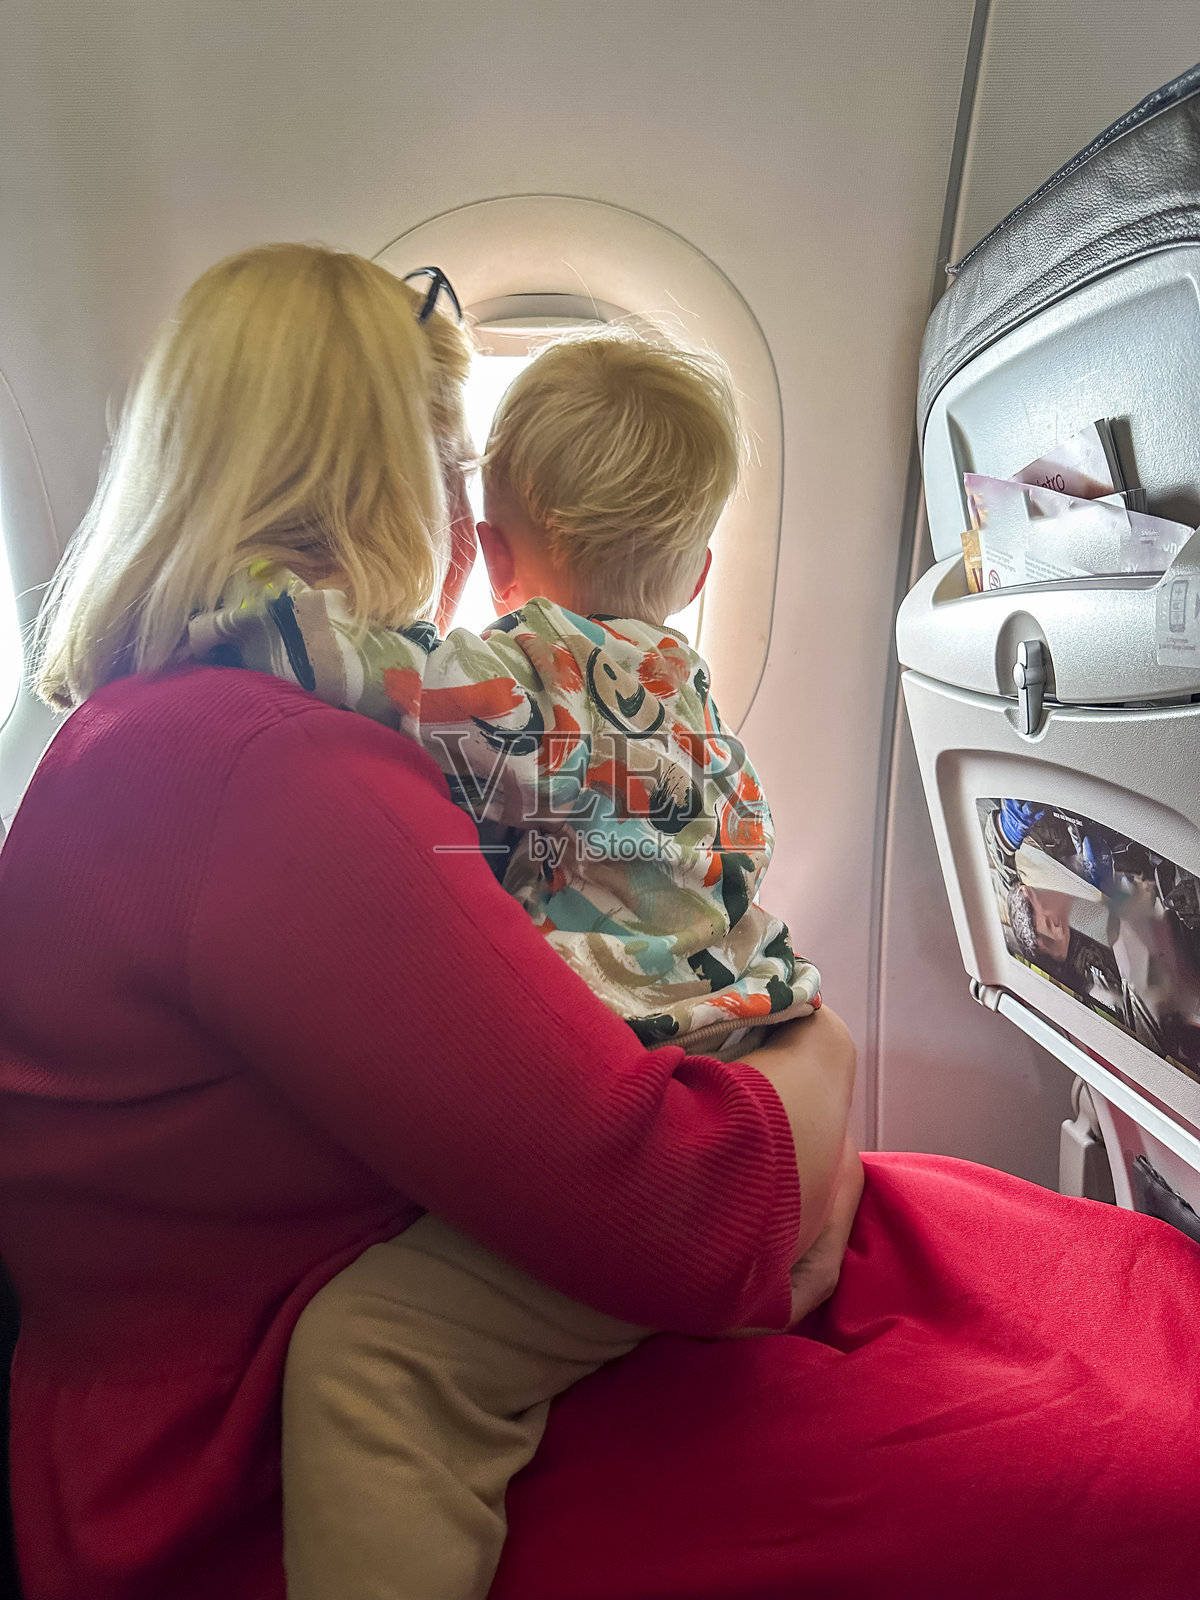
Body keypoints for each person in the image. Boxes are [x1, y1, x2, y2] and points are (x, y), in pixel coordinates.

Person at [4, 243, 1200, 1600]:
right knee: (1126, 1459)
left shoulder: (164, 732)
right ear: (380, 483)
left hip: (480, 1244)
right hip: (239, 1450)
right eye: (448, 474)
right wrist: (817, 1062)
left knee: (1062, 1310)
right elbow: (670, 1209)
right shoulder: (264, 773)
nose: (464, 531)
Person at [180, 326, 823, 1598]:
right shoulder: (699, 703)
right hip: (744, 1039)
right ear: (698, 572)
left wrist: (236, 568)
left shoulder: (515, 684)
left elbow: (333, 659)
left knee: (370, 1353)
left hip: (652, 1117)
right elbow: (741, 875)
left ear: (499, 550)